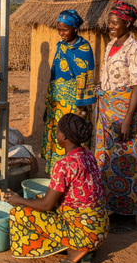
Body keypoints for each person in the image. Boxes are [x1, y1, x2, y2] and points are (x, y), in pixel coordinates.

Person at [4, 113, 109, 263]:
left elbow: (46, 205)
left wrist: (17, 199)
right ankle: (83, 244)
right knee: (38, 198)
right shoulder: (87, 155)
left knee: (19, 213)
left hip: (84, 234)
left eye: (58, 130)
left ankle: (77, 248)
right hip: (100, 227)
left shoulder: (64, 165)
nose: (56, 133)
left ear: (65, 137)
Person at [93, 0, 137, 233]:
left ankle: (129, 216)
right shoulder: (111, 45)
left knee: (127, 161)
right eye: (109, 23)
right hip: (107, 110)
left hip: (126, 112)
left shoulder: (135, 50)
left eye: (115, 23)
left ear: (128, 23)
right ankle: (111, 207)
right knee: (105, 158)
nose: (111, 27)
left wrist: (127, 120)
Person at [41, 9, 96, 174]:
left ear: (75, 28)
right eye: (59, 29)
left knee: (71, 136)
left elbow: (86, 79)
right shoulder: (61, 46)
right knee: (56, 136)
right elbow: (54, 76)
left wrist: (82, 109)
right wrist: (48, 106)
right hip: (56, 102)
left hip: (74, 103)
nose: (61, 33)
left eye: (65, 29)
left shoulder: (84, 49)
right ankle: (55, 175)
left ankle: (72, 174)